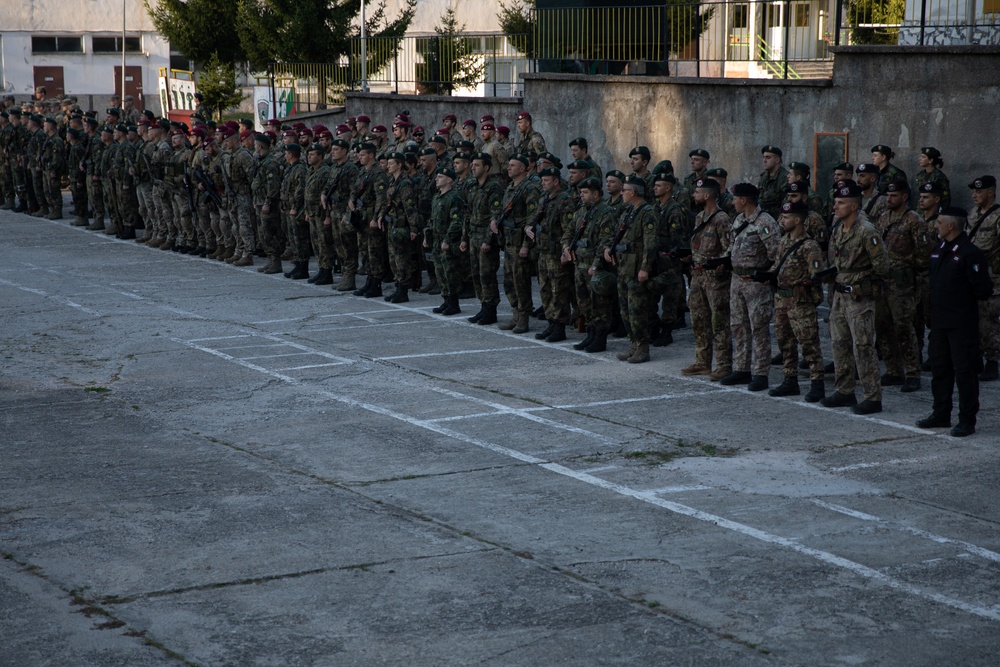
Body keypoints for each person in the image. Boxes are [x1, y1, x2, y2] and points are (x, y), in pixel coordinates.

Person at [917, 206, 994, 437]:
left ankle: (967, 420)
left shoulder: (970, 253)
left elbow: (983, 289)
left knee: (965, 372)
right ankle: (941, 413)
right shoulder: (940, 248)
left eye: (939, 222)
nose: (936, 225)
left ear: (951, 225)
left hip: (961, 324)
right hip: (940, 322)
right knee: (940, 370)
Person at [820, 181, 889, 414]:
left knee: (863, 346)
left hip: (859, 297)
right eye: (835, 202)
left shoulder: (866, 231)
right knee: (839, 344)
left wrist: (864, 283)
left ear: (854, 206)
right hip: (840, 295)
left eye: (841, 203)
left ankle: (872, 396)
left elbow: (882, 266)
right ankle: (845, 391)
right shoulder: (839, 228)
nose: (835, 207)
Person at [873, 180, 931, 392]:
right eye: (888, 196)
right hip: (882, 282)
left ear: (905, 197)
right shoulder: (883, 219)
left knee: (904, 327)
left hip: (903, 285)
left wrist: (910, 274)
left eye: (894, 195)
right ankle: (893, 370)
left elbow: (924, 254)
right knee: (882, 325)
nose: (889, 199)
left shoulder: (914, 220)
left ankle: (913, 372)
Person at [722, 183, 780, 391]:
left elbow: (777, 255)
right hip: (737, 280)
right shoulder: (739, 220)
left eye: (735, 198)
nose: (732, 201)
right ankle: (742, 369)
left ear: (744, 200)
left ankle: (761, 373)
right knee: (738, 326)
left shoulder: (765, 222)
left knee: (759, 328)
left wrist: (767, 276)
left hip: (756, 283)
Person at [769, 201, 827, 401]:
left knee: (809, 343)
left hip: (800, 302)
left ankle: (817, 383)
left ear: (797, 220)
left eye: (785, 217)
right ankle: (789, 379)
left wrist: (805, 285)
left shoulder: (810, 246)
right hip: (781, 300)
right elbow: (777, 267)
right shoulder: (784, 241)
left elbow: (817, 275)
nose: (781, 220)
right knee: (785, 342)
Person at [604, 174, 661, 363]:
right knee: (625, 310)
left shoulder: (647, 212)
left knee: (637, 310)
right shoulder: (628, 211)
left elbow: (650, 243)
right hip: (623, 266)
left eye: (625, 190)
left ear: (633, 192)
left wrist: (645, 268)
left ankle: (643, 347)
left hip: (636, 268)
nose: (622, 193)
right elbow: (617, 234)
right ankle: (634, 344)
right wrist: (609, 249)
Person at [681, 178, 733, 378]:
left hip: (715, 279)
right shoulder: (700, 217)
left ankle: (724, 364)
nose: (694, 195)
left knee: (719, 322)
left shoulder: (721, 219)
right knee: (699, 320)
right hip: (697, 277)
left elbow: (729, 249)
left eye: (697, 192)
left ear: (707, 195)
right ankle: (702, 362)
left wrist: (717, 266)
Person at [563, 177, 617, 352]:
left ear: (595, 193)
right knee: (584, 303)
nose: (582, 196)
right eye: (580, 193)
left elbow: (605, 241)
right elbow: (569, 231)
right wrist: (565, 247)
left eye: (585, 192)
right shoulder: (581, 212)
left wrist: (596, 265)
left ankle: (600, 338)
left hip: (594, 268)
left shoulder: (605, 212)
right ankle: (591, 334)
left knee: (599, 304)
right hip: (579, 265)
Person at [527, 165, 577, 342]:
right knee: (545, 290)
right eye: (542, 180)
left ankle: (560, 326)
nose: (543, 183)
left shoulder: (564, 200)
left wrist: (566, 250)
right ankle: (551, 323)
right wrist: (528, 227)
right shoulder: (544, 199)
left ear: (556, 181)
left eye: (546, 180)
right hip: (543, 252)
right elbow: (534, 219)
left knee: (559, 292)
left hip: (556, 254)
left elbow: (568, 229)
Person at [493, 155, 541, 333]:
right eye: (509, 164)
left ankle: (523, 318)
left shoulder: (529, 189)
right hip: (508, 241)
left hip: (520, 241)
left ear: (522, 169)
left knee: (521, 282)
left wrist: (526, 245)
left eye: (513, 165)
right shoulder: (510, 188)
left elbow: (532, 218)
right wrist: (494, 219)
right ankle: (515, 314)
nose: (509, 168)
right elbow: (501, 209)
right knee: (509, 281)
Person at [464, 152, 505, 324]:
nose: (473, 167)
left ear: (486, 168)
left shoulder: (493, 188)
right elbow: (468, 213)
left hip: (485, 238)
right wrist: (464, 238)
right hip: (473, 235)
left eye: (477, 165)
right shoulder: (472, 186)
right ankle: (483, 306)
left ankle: (490, 309)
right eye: (472, 165)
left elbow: (495, 216)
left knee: (487, 274)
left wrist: (489, 240)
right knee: (476, 274)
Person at [967, 175, 1000, 381]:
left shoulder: (997, 216)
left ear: (991, 192)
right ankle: (976, 357)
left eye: (979, 192)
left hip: (992, 277)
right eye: (974, 191)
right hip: (974, 275)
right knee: (973, 319)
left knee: (989, 321)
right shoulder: (973, 214)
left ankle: (992, 361)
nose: (975, 195)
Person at [378, 151, 421, 303]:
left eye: (391, 163)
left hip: (402, 227)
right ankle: (398, 287)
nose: (388, 166)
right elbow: (388, 203)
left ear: (400, 164)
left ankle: (403, 290)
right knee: (393, 260)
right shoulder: (393, 181)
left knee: (401, 259)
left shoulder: (404, 183)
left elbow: (410, 207)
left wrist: (414, 228)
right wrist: (381, 216)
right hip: (392, 224)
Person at [427, 166, 465, 315]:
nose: (437, 179)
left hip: (447, 241)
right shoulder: (437, 197)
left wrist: (448, 240)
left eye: (440, 177)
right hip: (436, 240)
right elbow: (432, 218)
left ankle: (454, 303)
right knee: (440, 272)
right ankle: (446, 300)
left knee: (450, 272)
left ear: (449, 180)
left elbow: (457, 222)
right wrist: (427, 235)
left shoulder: (454, 197)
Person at [757, 145, 788, 218]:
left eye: (768, 157)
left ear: (777, 160)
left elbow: (786, 204)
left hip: (778, 219)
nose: (764, 160)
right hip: (763, 218)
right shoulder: (763, 177)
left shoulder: (785, 178)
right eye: (763, 157)